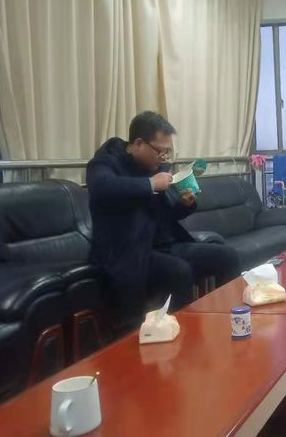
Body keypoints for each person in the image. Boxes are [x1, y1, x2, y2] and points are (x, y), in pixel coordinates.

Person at [86, 111, 241, 330]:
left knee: (227, 256)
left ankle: (233, 320)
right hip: (127, 252)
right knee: (179, 271)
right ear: (139, 144)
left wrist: (184, 204)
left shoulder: (154, 167)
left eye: (167, 152)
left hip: (165, 246)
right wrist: (150, 184)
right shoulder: (105, 162)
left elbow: (165, 214)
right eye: (160, 151)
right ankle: (183, 333)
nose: (163, 158)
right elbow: (102, 188)